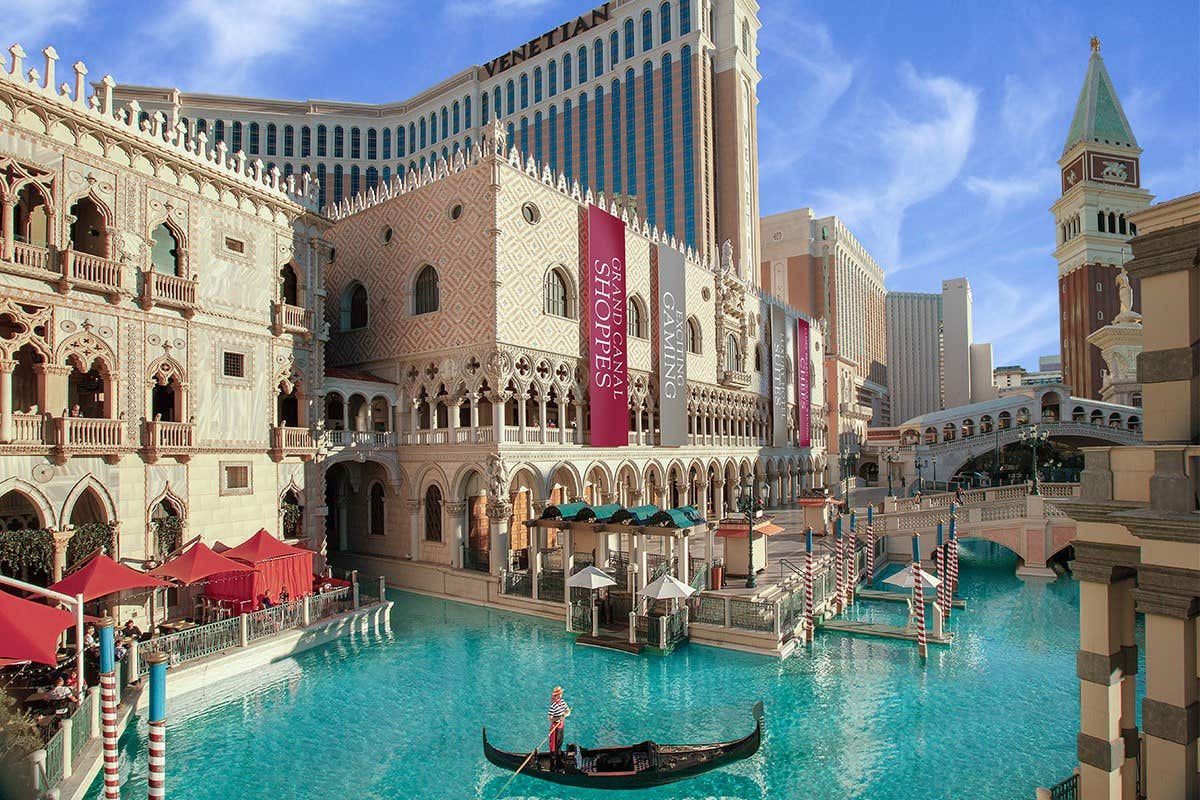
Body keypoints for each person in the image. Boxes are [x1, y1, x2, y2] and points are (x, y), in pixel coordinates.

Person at [547, 686, 571, 763]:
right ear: (557, 695)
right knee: (554, 745)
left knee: (559, 742)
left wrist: (565, 715)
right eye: (560, 693)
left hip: (561, 725)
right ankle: (553, 761)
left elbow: (568, 711)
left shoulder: (562, 702)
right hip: (555, 727)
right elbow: (550, 718)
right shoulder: (553, 705)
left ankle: (558, 758)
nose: (561, 694)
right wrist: (558, 718)